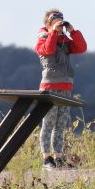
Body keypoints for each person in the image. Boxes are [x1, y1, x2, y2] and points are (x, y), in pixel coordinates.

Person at [35, 9, 87, 170]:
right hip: (49, 88)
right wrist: (53, 33)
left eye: (61, 22)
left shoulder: (64, 40)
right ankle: (46, 158)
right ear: (47, 24)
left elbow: (81, 48)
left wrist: (72, 31)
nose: (60, 26)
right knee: (48, 124)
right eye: (56, 22)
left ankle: (58, 157)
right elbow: (48, 50)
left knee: (60, 125)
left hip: (65, 86)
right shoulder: (42, 40)